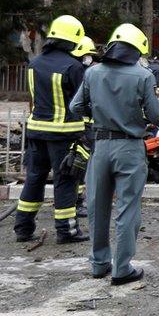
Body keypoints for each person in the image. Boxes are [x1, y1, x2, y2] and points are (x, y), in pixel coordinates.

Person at [70, 23, 159, 285]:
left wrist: (95, 120)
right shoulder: (144, 76)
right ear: (136, 49)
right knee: (127, 207)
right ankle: (122, 269)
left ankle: (99, 264)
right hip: (130, 147)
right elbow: (156, 115)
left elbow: (75, 107)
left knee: (97, 206)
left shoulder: (92, 73)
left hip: (100, 147)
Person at [14, 15, 90, 245]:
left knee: (34, 180)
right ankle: (66, 231)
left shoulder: (35, 63)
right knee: (65, 180)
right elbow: (83, 102)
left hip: (36, 131)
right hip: (63, 134)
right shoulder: (73, 66)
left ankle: (23, 228)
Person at [69, 35, 98, 218]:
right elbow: (79, 103)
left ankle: (73, 200)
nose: (90, 58)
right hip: (80, 126)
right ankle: (77, 202)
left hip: (72, 126)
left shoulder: (74, 69)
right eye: (88, 54)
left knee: (76, 164)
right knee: (79, 165)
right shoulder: (78, 71)